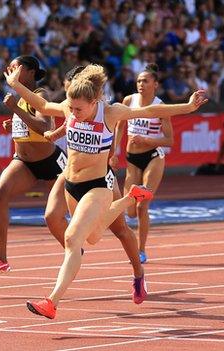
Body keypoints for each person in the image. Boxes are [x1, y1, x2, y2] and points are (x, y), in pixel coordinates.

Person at [3, 63, 207, 319]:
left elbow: (150, 109)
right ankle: (132, 196)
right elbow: (43, 106)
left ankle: (52, 302)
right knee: (94, 236)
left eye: (79, 109)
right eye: (71, 108)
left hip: (98, 187)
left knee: (72, 239)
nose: (74, 114)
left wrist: (187, 107)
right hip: (72, 185)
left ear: (94, 102)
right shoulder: (70, 107)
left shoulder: (111, 113)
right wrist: (16, 85)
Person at [43, 64, 149, 306]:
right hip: (71, 172)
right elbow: (66, 121)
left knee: (119, 229)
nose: (71, 108)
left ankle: (138, 274)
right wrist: (55, 133)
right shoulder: (72, 107)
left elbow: (112, 130)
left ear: (90, 97)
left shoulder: (106, 110)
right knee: (65, 222)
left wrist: (112, 154)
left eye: (76, 103)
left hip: (101, 175)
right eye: (68, 98)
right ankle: (76, 245)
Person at [0, 56, 68, 276]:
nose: (9, 69)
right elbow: (29, 126)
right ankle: (1, 260)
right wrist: (14, 125)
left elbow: (44, 126)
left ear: (29, 72)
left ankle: (73, 250)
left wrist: (16, 111)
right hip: (24, 163)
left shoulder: (41, 95)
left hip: (51, 163)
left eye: (15, 66)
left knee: (63, 213)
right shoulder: (18, 98)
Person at [109, 63, 172, 264]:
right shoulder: (129, 100)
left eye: (145, 81)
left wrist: (148, 141)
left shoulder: (160, 107)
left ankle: (141, 250)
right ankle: (138, 243)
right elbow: (119, 126)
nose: (140, 84)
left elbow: (169, 140)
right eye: (138, 81)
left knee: (142, 206)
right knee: (129, 210)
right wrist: (114, 152)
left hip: (154, 156)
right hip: (132, 159)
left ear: (155, 84)